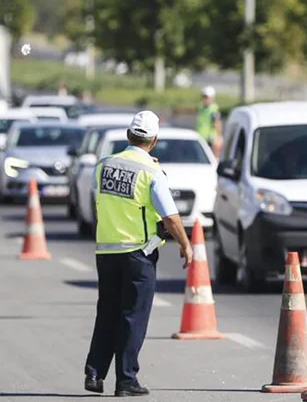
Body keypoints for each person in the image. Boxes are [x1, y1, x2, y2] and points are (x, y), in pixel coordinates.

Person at [84, 110, 193, 397]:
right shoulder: (152, 173)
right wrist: (186, 244)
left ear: (128, 135)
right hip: (137, 253)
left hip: (105, 251)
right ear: (154, 140)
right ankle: (126, 380)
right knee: (133, 316)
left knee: (106, 312)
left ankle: (94, 373)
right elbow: (170, 217)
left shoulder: (103, 165)